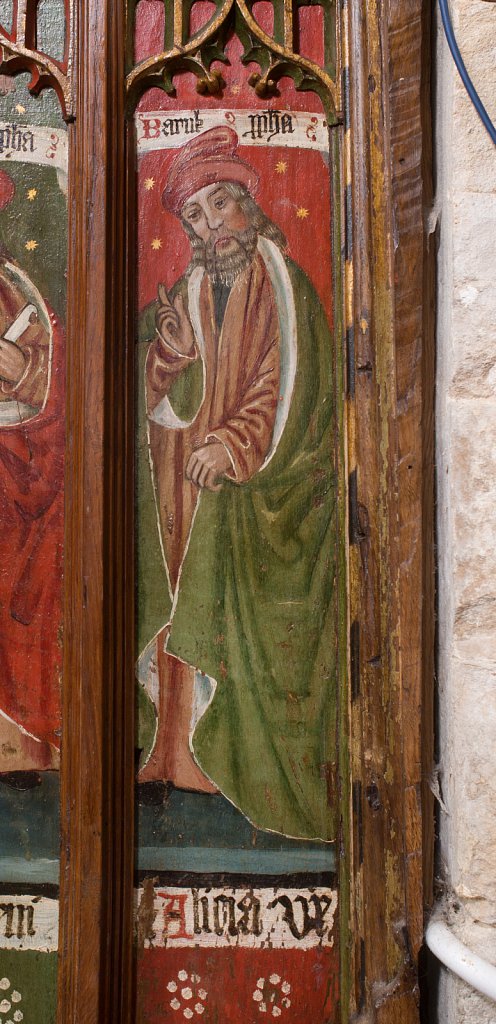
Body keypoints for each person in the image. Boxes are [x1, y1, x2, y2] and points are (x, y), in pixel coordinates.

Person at [136, 126, 337, 841]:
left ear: (249, 206)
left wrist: (234, 446)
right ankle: (184, 760)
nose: (210, 226)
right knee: (184, 584)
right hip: (199, 488)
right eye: (196, 216)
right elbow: (165, 386)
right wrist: (166, 356)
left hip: (271, 492)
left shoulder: (284, 283)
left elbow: (287, 382)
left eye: (221, 206)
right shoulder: (193, 290)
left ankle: (241, 768)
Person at [0, 183, 65, 786]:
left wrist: (25, 376)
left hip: (20, 466)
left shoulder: (18, 289)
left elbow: (59, 373)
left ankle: (21, 748)